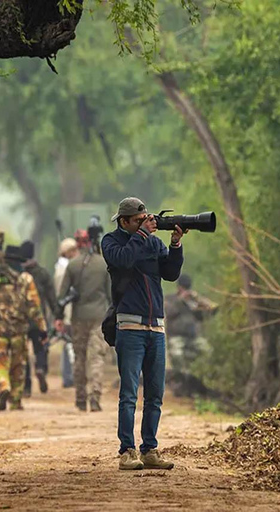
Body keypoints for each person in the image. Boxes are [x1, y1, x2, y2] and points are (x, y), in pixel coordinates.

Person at [101, 197, 186, 471]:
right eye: (137, 221)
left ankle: (149, 449)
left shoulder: (151, 241)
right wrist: (141, 234)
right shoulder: (111, 242)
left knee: (155, 394)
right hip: (129, 326)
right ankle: (127, 450)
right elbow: (124, 261)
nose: (144, 224)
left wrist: (175, 245)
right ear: (124, 222)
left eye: (145, 220)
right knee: (128, 393)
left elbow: (170, 274)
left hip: (156, 326)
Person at [0, 237, 47, 412]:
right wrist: (42, 328)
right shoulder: (25, 279)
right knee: (18, 366)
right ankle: (15, 401)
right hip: (19, 331)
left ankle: (2, 385)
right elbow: (34, 307)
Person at [56, 226, 112, 412]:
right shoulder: (103, 264)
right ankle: (95, 396)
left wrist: (58, 318)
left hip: (78, 318)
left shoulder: (72, 266)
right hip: (99, 317)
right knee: (96, 358)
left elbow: (62, 296)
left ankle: (80, 398)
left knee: (79, 358)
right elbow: (110, 294)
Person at [21, 240, 58, 396]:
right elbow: (51, 298)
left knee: (22, 353)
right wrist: (58, 316)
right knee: (41, 347)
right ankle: (41, 368)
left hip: (21, 320)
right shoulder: (42, 273)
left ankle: (27, 387)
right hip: (39, 318)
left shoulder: (18, 274)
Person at [164, 273, 218, 374]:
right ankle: (181, 376)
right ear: (179, 287)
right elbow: (168, 311)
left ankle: (205, 374)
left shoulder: (194, 301)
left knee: (208, 351)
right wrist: (181, 300)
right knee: (177, 355)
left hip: (193, 337)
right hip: (177, 337)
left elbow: (213, 308)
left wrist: (198, 299)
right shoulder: (170, 299)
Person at [54, 238, 79, 388]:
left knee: (68, 343)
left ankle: (68, 375)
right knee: (71, 344)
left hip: (65, 311)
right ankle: (70, 376)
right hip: (70, 311)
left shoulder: (59, 268)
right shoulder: (66, 269)